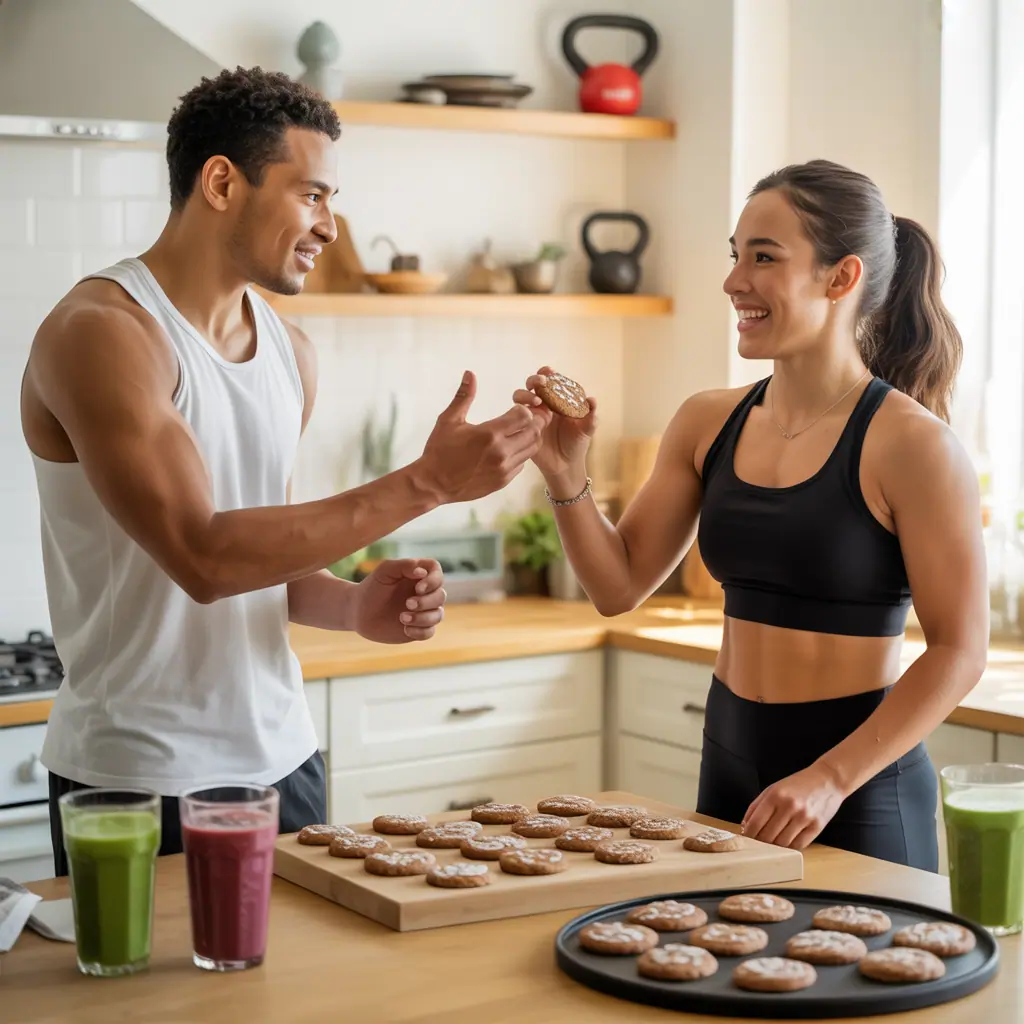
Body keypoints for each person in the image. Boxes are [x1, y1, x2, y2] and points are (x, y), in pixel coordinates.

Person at [22, 67, 542, 875]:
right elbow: (204, 556)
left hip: (285, 761)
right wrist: (426, 483)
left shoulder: (289, 351)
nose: (330, 227)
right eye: (312, 195)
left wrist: (353, 604)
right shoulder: (102, 333)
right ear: (222, 183)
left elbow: (268, 561)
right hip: (137, 777)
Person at [515, 159, 988, 871]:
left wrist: (829, 779)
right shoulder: (707, 421)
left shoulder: (913, 444)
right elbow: (617, 586)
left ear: (841, 277)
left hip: (856, 790)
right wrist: (565, 474)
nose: (734, 281)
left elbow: (960, 650)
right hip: (729, 767)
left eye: (764, 258)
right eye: (735, 255)